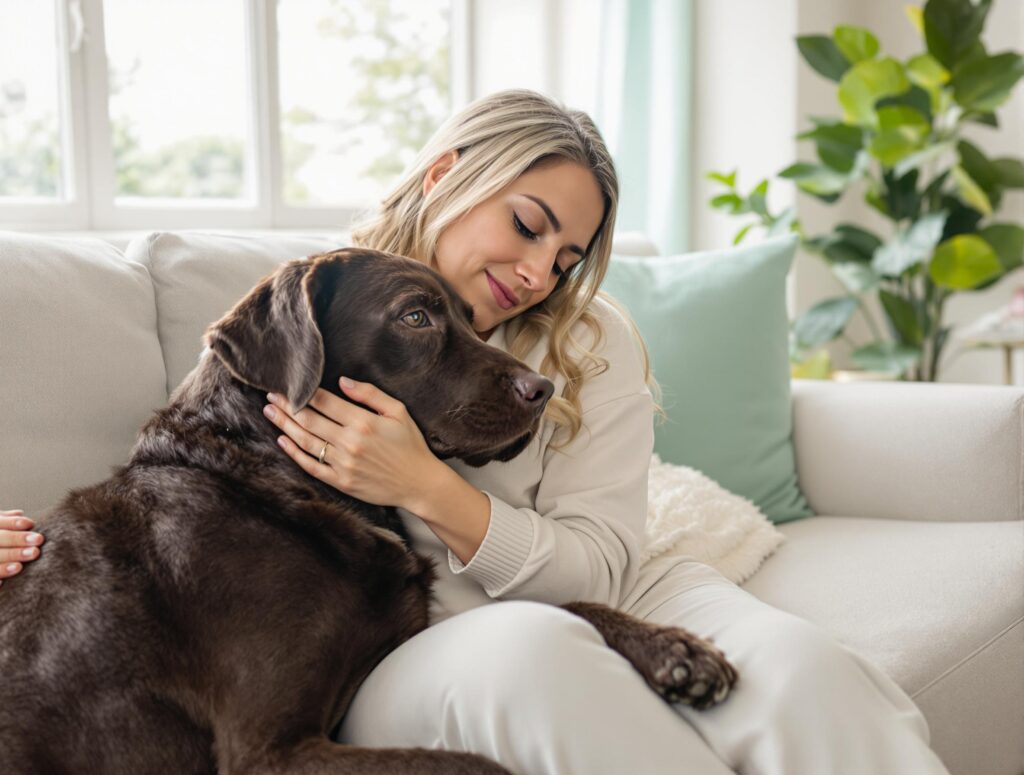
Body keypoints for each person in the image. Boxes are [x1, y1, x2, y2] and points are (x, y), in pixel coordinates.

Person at [1, 89, 948, 775]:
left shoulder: (592, 339)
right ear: (451, 173)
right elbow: (183, 500)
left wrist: (427, 487)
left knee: (806, 673)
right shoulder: (321, 305)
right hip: (449, 635)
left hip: (613, 582)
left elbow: (606, 566)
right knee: (535, 663)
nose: (540, 271)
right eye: (527, 224)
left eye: (567, 255)